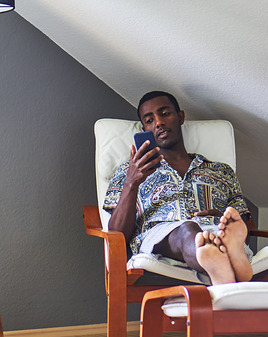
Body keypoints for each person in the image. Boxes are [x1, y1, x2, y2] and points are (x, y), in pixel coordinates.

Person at [103, 91, 253, 285]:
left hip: (214, 228)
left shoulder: (222, 171)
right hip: (162, 237)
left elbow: (246, 227)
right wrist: (132, 182)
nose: (158, 123)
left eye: (165, 114)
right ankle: (228, 261)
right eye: (149, 120)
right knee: (188, 231)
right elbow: (116, 234)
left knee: (225, 229)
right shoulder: (129, 170)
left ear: (180, 117)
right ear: (144, 128)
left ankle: (223, 262)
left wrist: (222, 217)